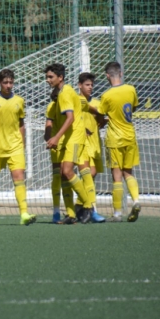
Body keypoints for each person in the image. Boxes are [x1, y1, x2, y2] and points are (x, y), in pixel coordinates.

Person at [0, 69, 36, 227]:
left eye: (11, 82)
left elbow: (21, 124)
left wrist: (23, 144)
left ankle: (24, 213)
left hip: (15, 146)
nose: (8, 85)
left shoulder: (19, 100)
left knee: (19, 178)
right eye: (5, 82)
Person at [44, 63, 94, 225]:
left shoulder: (65, 93)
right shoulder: (64, 92)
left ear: (61, 77)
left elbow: (70, 118)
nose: (47, 80)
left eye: (51, 77)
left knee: (66, 171)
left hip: (74, 137)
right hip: (71, 137)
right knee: (65, 175)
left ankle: (87, 205)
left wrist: (56, 137)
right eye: (47, 77)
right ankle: (71, 214)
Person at [97, 61, 141, 222]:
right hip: (130, 136)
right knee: (128, 173)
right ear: (120, 73)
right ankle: (136, 201)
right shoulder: (131, 89)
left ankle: (117, 214)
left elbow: (101, 115)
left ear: (107, 76)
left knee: (116, 176)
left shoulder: (106, 95)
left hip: (114, 138)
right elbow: (133, 108)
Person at [76, 72, 106, 223]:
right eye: (87, 85)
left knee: (91, 176)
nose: (90, 87)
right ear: (80, 85)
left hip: (95, 143)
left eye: (92, 85)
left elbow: (103, 118)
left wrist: (101, 120)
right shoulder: (76, 101)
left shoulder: (97, 102)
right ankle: (92, 209)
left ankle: (78, 205)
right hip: (81, 143)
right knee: (88, 173)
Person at [44, 89, 63, 223]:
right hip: (59, 144)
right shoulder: (51, 107)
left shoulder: (71, 104)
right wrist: (49, 136)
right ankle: (57, 210)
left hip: (70, 143)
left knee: (66, 175)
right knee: (61, 175)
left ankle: (83, 207)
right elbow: (48, 129)